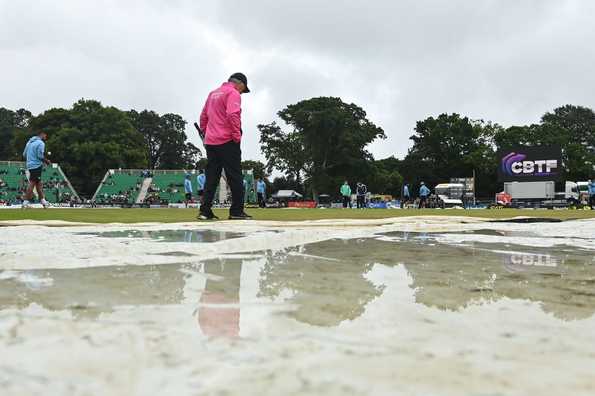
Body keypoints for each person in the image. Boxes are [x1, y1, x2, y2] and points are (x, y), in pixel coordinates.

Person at [198, 72, 252, 220]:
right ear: (240, 84)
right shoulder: (233, 93)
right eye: (243, 89)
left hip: (211, 141)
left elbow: (203, 116)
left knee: (211, 177)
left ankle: (205, 211)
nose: (242, 92)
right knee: (235, 176)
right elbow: (232, 115)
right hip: (227, 140)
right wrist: (236, 135)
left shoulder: (212, 93)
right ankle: (236, 211)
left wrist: (204, 133)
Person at [22, 131, 50, 208]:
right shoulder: (41, 143)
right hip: (36, 165)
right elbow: (40, 155)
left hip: (29, 165)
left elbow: (24, 154)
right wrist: (46, 161)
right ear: (42, 134)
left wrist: (31, 157)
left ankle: (43, 201)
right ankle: (25, 202)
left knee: (39, 184)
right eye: (45, 135)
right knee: (32, 183)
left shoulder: (29, 142)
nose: (46, 137)